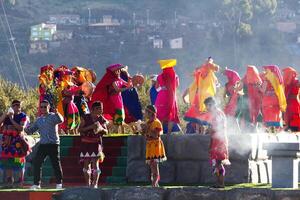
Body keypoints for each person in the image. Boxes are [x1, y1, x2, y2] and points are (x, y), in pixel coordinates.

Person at [25, 100, 64, 189]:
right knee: (37, 163)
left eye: (45, 107)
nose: (43, 108)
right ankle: (36, 184)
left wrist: (58, 113)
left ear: (48, 107)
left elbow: (61, 120)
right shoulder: (39, 120)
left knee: (55, 164)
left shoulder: (53, 116)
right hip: (43, 145)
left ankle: (59, 183)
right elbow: (31, 130)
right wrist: (24, 128)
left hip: (53, 144)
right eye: (41, 107)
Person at [198, 97, 230, 188]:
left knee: (219, 162)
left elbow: (218, 127)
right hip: (216, 140)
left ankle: (221, 183)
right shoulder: (216, 113)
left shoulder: (218, 114)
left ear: (212, 104)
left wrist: (210, 130)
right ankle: (218, 182)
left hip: (219, 141)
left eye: (208, 105)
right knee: (216, 162)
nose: (207, 108)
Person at [91, 63, 132, 134]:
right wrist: (127, 88)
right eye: (117, 71)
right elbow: (117, 89)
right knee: (117, 114)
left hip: (119, 99)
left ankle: (119, 132)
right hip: (113, 100)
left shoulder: (119, 79)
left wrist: (127, 74)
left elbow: (128, 85)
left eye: (119, 70)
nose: (118, 72)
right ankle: (115, 132)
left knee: (120, 114)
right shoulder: (112, 80)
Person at [183, 57, 219, 134]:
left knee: (208, 114)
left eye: (208, 62)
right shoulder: (200, 73)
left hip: (205, 97)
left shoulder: (210, 73)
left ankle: (206, 131)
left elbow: (217, 69)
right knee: (198, 115)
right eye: (206, 62)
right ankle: (199, 132)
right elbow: (192, 77)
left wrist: (210, 64)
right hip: (199, 98)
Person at [78, 101, 108, 188]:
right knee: (86, 164)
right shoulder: (85, 117)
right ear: (92, 110)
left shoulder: (102, 119)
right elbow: (79, 130)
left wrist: (100, 128)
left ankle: (95, 184)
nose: (100, 110)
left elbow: (106, 131)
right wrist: (91, 127)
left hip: (96, 143)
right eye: (98, 109)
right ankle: (87, 184)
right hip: (86, 143)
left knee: (95, 164)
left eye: (101, 109)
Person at [0, 100, 29, 188]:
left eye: (18, 105)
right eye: (14, 105)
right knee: (7, 160)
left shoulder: (23, 116)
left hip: (18, 143)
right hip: (7, 142)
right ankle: (9, 180)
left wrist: (12, 119)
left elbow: (20, 128)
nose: (16, 107)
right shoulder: (7, 116)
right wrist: (5, 115)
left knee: (19, 161)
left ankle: (20, 180)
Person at [141, 105, 166, 187]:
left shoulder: (157, 123)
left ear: (151, 113)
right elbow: (145, 135)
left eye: (146, 112)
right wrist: (142, 129)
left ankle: (154, 183)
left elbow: (156, 135)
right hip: (149, 146)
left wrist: (147, 128)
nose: (145, 114)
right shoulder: (148, 122)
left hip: (155, 146)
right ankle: (155, 183)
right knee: (152, 165)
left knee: (154, 165)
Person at [155, 59, 181, 134]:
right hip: (172, 97)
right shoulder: (175, 76)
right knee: (171, 115)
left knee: (160, 114)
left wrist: (162, 88)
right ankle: (169, 133)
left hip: (162, 97)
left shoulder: (159, 76)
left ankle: (160, 132)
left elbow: (157, 89)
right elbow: (177, 86)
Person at [260, 65, 286, 133]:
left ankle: (269, 131)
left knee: (268, 115)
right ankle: (275, 131)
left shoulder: (267, 77)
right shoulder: (277, 78)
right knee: (276, 116)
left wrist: (258, 87)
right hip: (276, 100)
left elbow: (263, 90)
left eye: (266, 70)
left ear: (269, 70)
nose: (265, 71)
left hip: (268, 100)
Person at [282, 67, 300, 132]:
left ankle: (292, 128)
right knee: (290, 115)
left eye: (286, 74)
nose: (284, 75)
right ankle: (291, 128)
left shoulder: (294, 82)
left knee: (292, 115)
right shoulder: (295, 81)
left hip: (292, 102)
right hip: (293, 101)